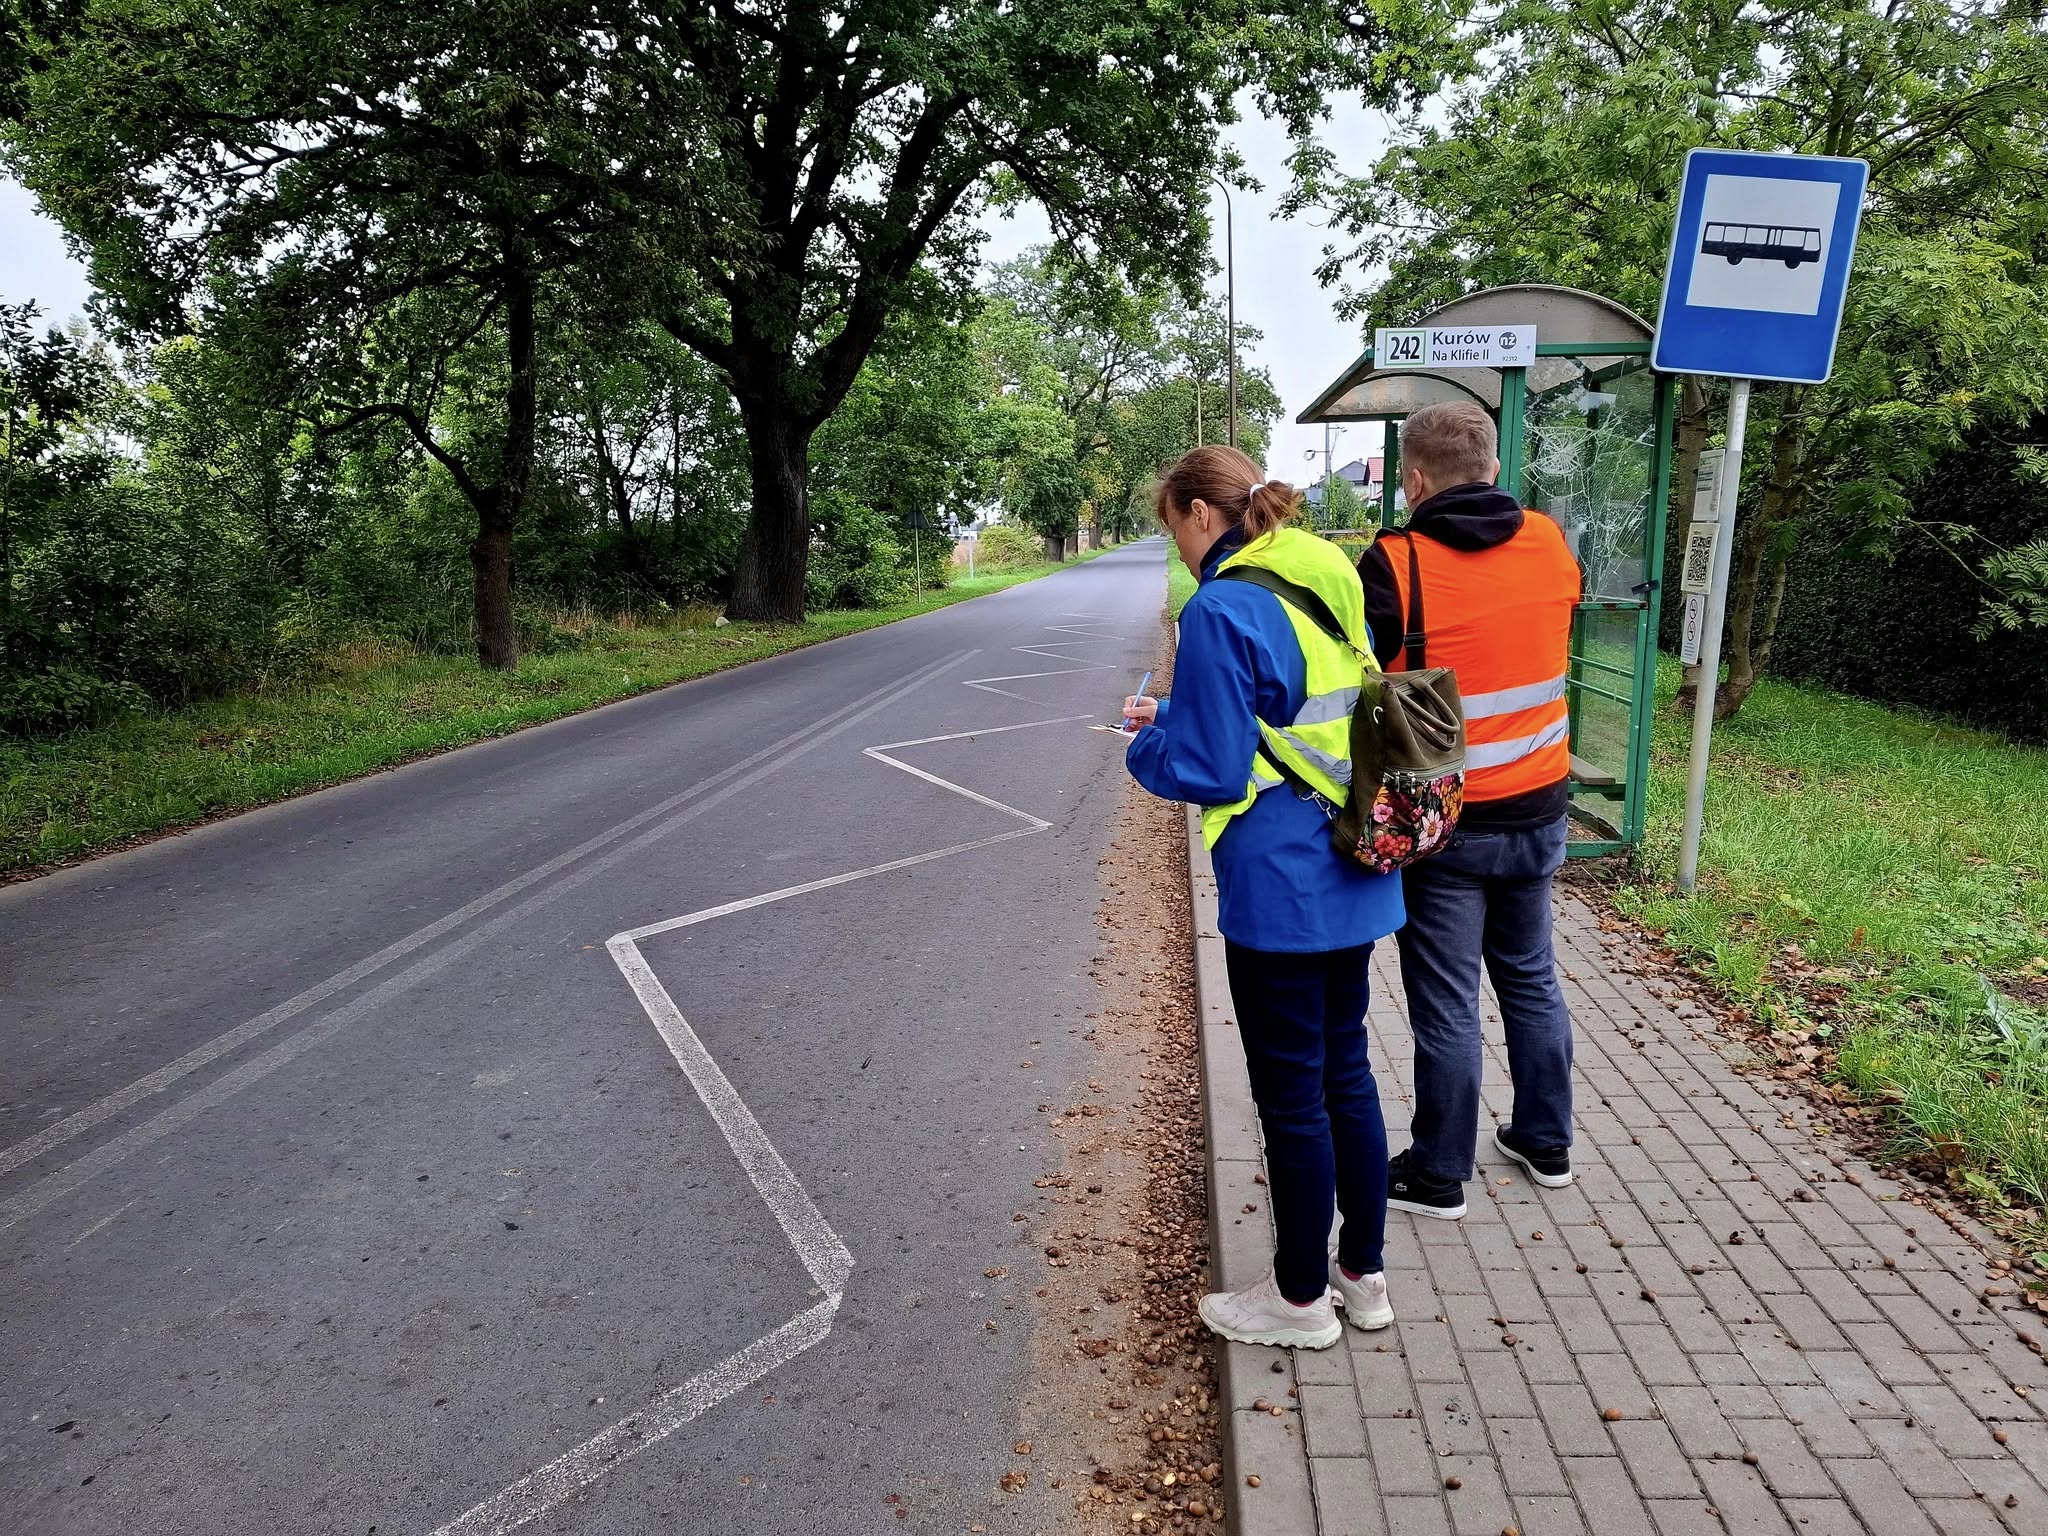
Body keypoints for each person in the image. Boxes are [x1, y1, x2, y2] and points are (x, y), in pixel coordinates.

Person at [1123, 444, 1405, 1350]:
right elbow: (1299, 706)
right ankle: (1362, 1278)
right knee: (1347, 1074)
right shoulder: (1325, 567)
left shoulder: (1220, 607)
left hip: (1282, 884)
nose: (1177, 552)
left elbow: (1209, 768)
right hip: (1357, 853)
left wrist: (1141, 750)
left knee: (1291, 1100)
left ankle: (1294, 1302)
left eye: (1173, 530)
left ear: (1201, 515)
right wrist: (1173, 714)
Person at [1357, 401, 1582, 1219]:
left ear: (1413, 480)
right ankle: (1546, 1141)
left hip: (1445, 820)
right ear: (1491, 466)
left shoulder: (1395, 559)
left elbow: (1359, 667)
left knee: (1447, 998)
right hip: (1542, 804)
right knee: (1530, 976)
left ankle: (1440, 1172)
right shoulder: (1550, 541)